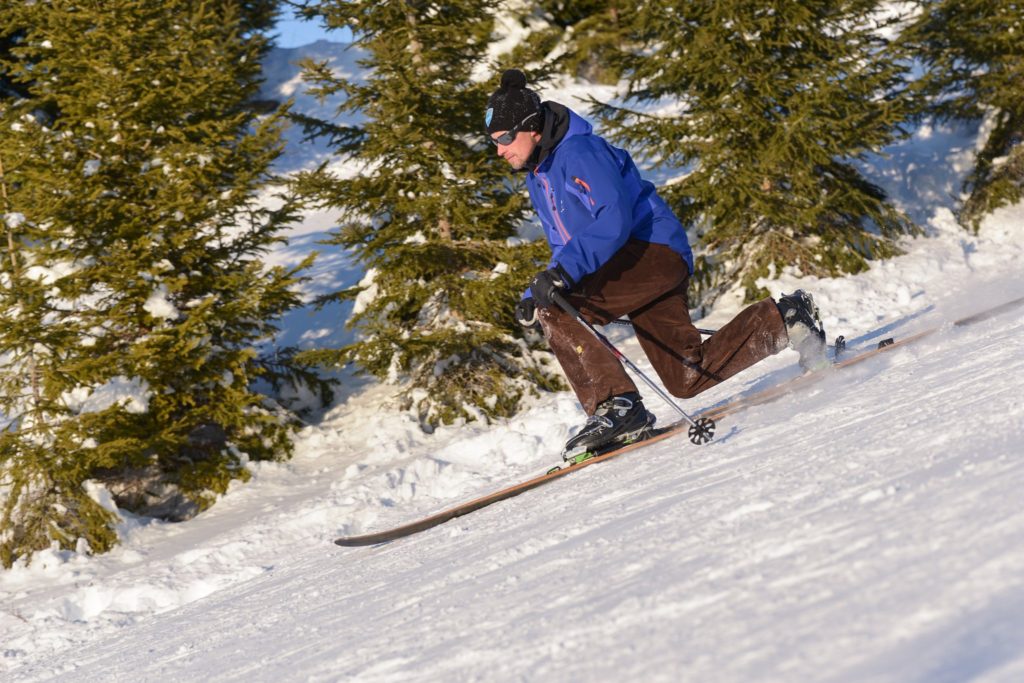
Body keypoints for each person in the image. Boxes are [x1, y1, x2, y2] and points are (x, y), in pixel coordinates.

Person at [485, 69, 827, 460]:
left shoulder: (580, 153)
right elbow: (565, 244)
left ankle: (617, 406)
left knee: (561, 309)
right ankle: (785, 318)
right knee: (686, 376)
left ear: (531, 128)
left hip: (650, 251)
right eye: (493, 142)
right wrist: (536, 290)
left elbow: (613, 219)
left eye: (505, 139)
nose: (500, 150)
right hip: (629, 265)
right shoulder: (539, 175)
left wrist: (558, 283)